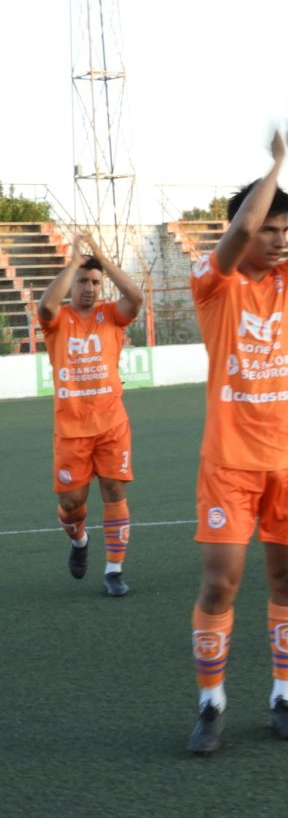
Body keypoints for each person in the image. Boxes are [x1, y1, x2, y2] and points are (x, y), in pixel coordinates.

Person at [186, 121, 288, 753]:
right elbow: (244, 230)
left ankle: (283, 698)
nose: (280, 241)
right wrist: (273, 167)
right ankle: (210, 703)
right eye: (271, 229)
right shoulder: (214, 280)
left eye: (286, 230)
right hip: (229, 460)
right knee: (221, 582)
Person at [37, 230, 143, 597]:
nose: (89, 287)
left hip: (112, 425)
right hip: (71, 430)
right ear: (72, 283)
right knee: (72, 504)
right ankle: (79, 541)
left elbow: (136, 297)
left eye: (95, 282)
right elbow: (44, 307)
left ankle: (114, 569)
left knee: (114, 489)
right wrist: (74, 263)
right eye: (83, 280)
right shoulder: (58, 320)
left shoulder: (110, 315)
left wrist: (101, 257)